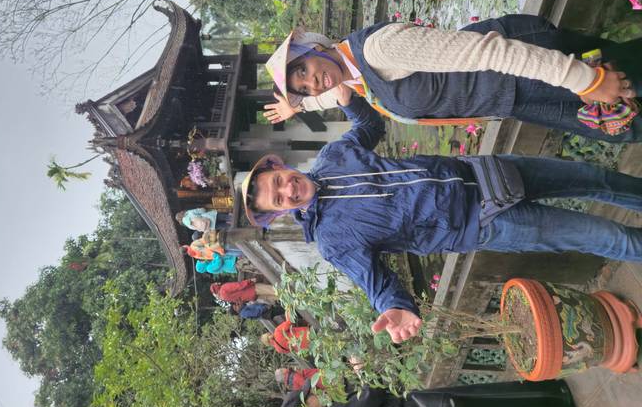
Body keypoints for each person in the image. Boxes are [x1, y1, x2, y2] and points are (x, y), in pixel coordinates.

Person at [242, 92, 642, 343]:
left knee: (596, 179)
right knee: (608, 239)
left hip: (485, 171)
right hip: (485, 221)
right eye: (278, 198)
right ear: (281, 211)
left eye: (279, 180)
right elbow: (376, 282)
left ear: (283, 168)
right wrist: (395, 308)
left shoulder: (333, 157)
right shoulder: (332, 240)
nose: (287, 189)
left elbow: (369, 125)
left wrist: (345, 97)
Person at [263, 14, 641, 142]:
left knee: (629, 87)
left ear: (313, 48)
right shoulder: (353, 79)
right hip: (513, 97)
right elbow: (327, 95)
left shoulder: (379, 51)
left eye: (304, 70)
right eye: (304, 87)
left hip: (526, 68)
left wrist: (584, 80)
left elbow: (488, 51)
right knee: (623, 122)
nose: (314, 83)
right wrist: (301, 105)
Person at [280, 378, 578, 407]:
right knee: (492, 402)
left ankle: (556, 401)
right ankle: (556, 398)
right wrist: (362, 373)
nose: (316, 392)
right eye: (311, 396)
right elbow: (373, 392)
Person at [210, 278, 278, 309]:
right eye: (216, 284)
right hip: (251, 289)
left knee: (272, 297)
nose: (218, 283)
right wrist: (249, 281)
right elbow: (238, 286)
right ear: (216, 287)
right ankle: (287, 290)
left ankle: (287, 296)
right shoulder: (223, 288)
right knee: (273, 290)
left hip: (251, 297)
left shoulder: (223, 297)